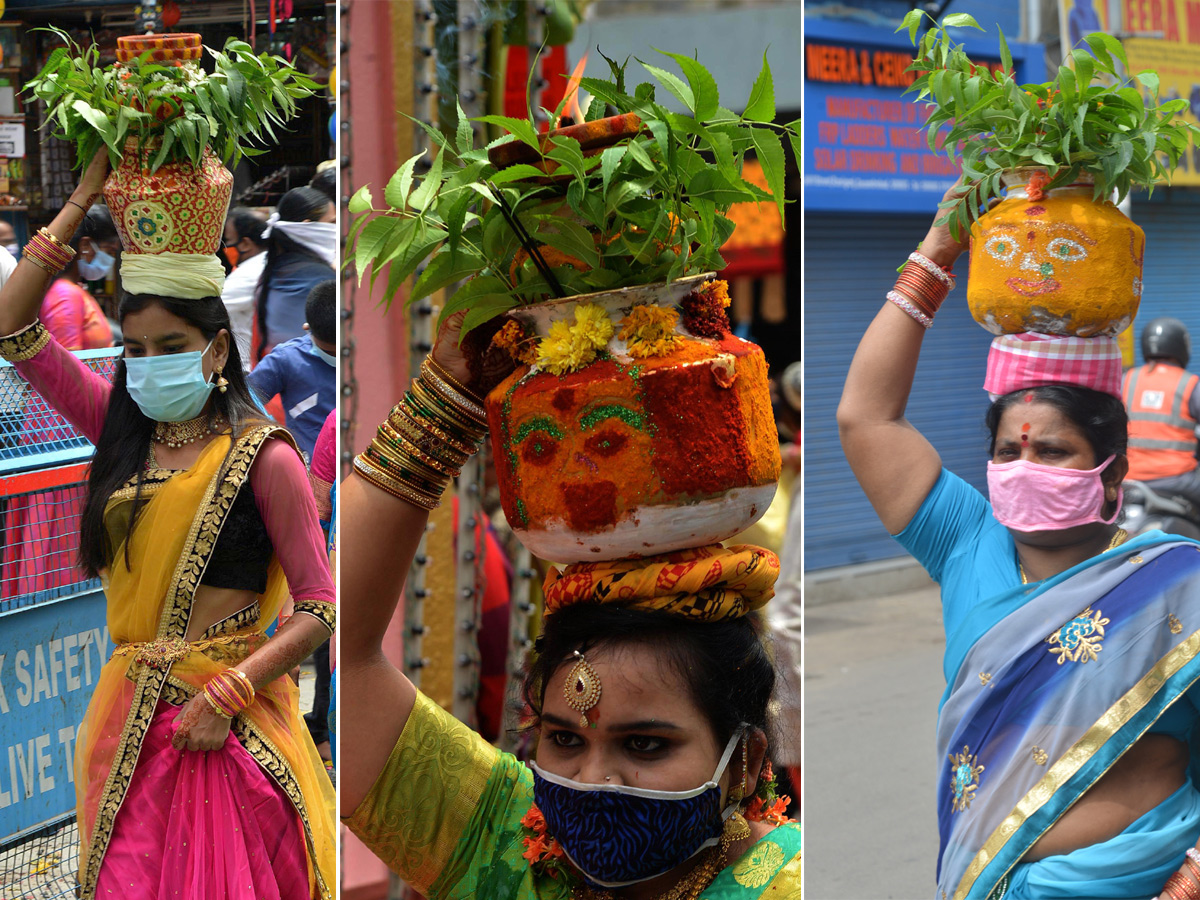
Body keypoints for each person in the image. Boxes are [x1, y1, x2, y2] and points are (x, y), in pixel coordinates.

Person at [340, 316, 801, 900]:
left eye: (645, 745)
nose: (592, 781)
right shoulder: (501, 840)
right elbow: (346, 654)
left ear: (746, 760)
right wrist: (444, 397)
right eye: (564, 740)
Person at [837, 184, 1200, 900]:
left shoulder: (1177, 584)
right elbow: (864, 418)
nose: (1022, 470)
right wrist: (939, 252)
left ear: (1113, 468)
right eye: (1007, 453)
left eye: (1052, 453)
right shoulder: (968, 541)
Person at [0, 152, 337, 899]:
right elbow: (10, 325)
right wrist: (81, 198)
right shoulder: (119, 432)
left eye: (171, 348)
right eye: (137, 350)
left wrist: (228, 693)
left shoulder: (264, 458)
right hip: (127, 728)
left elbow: (320, 606)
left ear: (217, 350)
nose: (148, 365)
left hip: (230, 734)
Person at [248, 279, 336, 460]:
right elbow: (244, 402)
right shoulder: (286, 359)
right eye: (328, 351)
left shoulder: (285, 358)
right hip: (309, 473)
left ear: (307, 327)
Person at [1122, 317, 1200, 509]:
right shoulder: (1190, 384)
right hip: (1177, 480)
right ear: (1182, 347)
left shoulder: (1126, 379)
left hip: (1126, 478)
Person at [255, 187, 335, 360]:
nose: (336, 230)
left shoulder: (275, 268)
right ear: (309, 226)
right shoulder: (319, 276)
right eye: (332, 223)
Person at [222, 206, 269, 370]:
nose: (226, 248)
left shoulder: (248, 273)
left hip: (250, 368)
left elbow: (212, 308)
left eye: (227, 241)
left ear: (245, 244)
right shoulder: (270, 263)